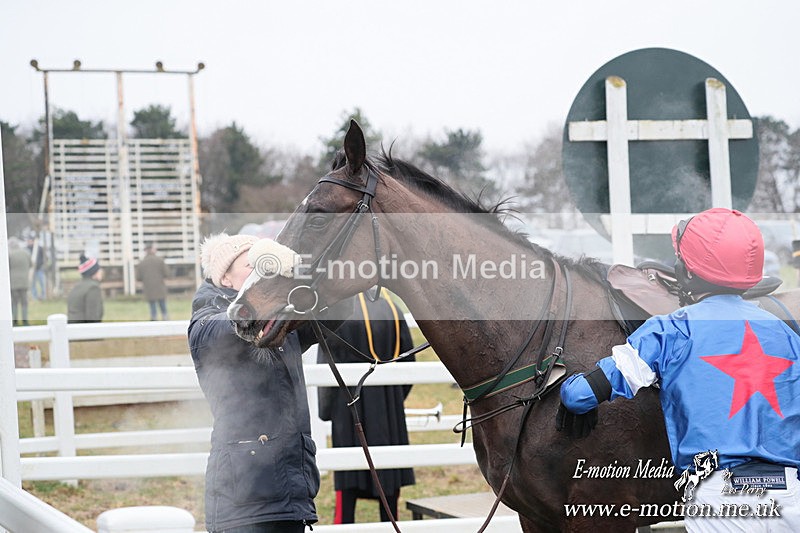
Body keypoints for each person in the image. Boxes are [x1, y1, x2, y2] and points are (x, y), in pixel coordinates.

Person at [558, 208, 800, 532]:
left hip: (720, 499)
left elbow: (580, 395)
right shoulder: (786, 333)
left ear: (686, 272)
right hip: (790, 498)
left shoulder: (670, 330)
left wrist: (570, 390)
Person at [189, 233, 349, 533]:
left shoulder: (276, 318)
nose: (264, 273)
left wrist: (327, 275)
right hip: (243, 498)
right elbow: (230, 328)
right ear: (225, 277)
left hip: (289, 488)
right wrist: (267, 293)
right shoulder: (207, 317)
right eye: (254, 266)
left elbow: (337, 312)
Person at [317, 291, 416, 524]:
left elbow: (326, 365)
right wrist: (391, 399)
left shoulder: (338, 310)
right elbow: (409, 364)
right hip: (388, 407)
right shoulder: (392, 307)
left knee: (349, 480)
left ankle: (345, 526)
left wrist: (326, 410)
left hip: (348, 406)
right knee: (387, 480)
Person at [137, 241, 169, 320]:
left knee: (152, 306)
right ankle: (166, 319)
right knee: (162, 305)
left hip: (149, 288)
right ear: (151, 249)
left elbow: (138, 277)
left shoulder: (142, 263)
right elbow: (167, 273)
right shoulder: (160, 261)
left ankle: (154, 320)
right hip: (160, 287)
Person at [67, 254, 104, 323]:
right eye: (99, 269)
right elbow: (93, 317)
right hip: (83, 330)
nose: (101, 271)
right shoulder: (93, 288)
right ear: (93, 272)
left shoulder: (76, 287)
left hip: (72, 329)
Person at [8, 237, 32, 326]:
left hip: (13, 282)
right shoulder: (26, 253)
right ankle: (25, 320)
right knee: (24, 302)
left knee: (14, 302)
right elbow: (31, 264)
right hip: (24, 281)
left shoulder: (10, 255)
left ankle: (15, 321)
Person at [27, 236, 46, 301]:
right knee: (33, 284)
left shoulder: (39, 248)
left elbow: (44, 257)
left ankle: (43, 296)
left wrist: (41, 264)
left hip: (39, 268)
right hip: (32, 270)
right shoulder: (27, 249)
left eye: (30, 241)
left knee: (42, 283)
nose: (29, 242)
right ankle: (34, 297)